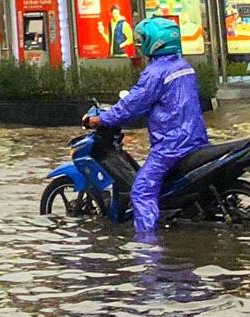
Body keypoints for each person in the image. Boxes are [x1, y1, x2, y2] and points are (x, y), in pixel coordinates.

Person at [83, 18, 208, 239]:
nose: (140, 45)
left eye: (143, 40)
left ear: (155, 42)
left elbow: (132, 104)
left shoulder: (156, 73)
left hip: (171, 145)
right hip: (194, 139)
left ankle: (148, 251)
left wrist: (101, 120)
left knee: (141, 191)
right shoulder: (183, 67)